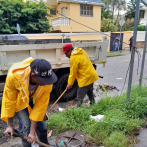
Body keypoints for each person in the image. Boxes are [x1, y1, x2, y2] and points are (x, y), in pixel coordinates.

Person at [1, 57, 57, 147]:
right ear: (33, 76)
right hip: (21, 101)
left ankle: (45, 144)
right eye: (45, 80)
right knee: (25, 125)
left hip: (36, 99)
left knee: (42, 122)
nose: (48, 83)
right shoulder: (14, 76)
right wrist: (10, 125)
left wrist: (33, 132)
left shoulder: (47, 82)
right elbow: (10, 101)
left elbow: (40, 106)